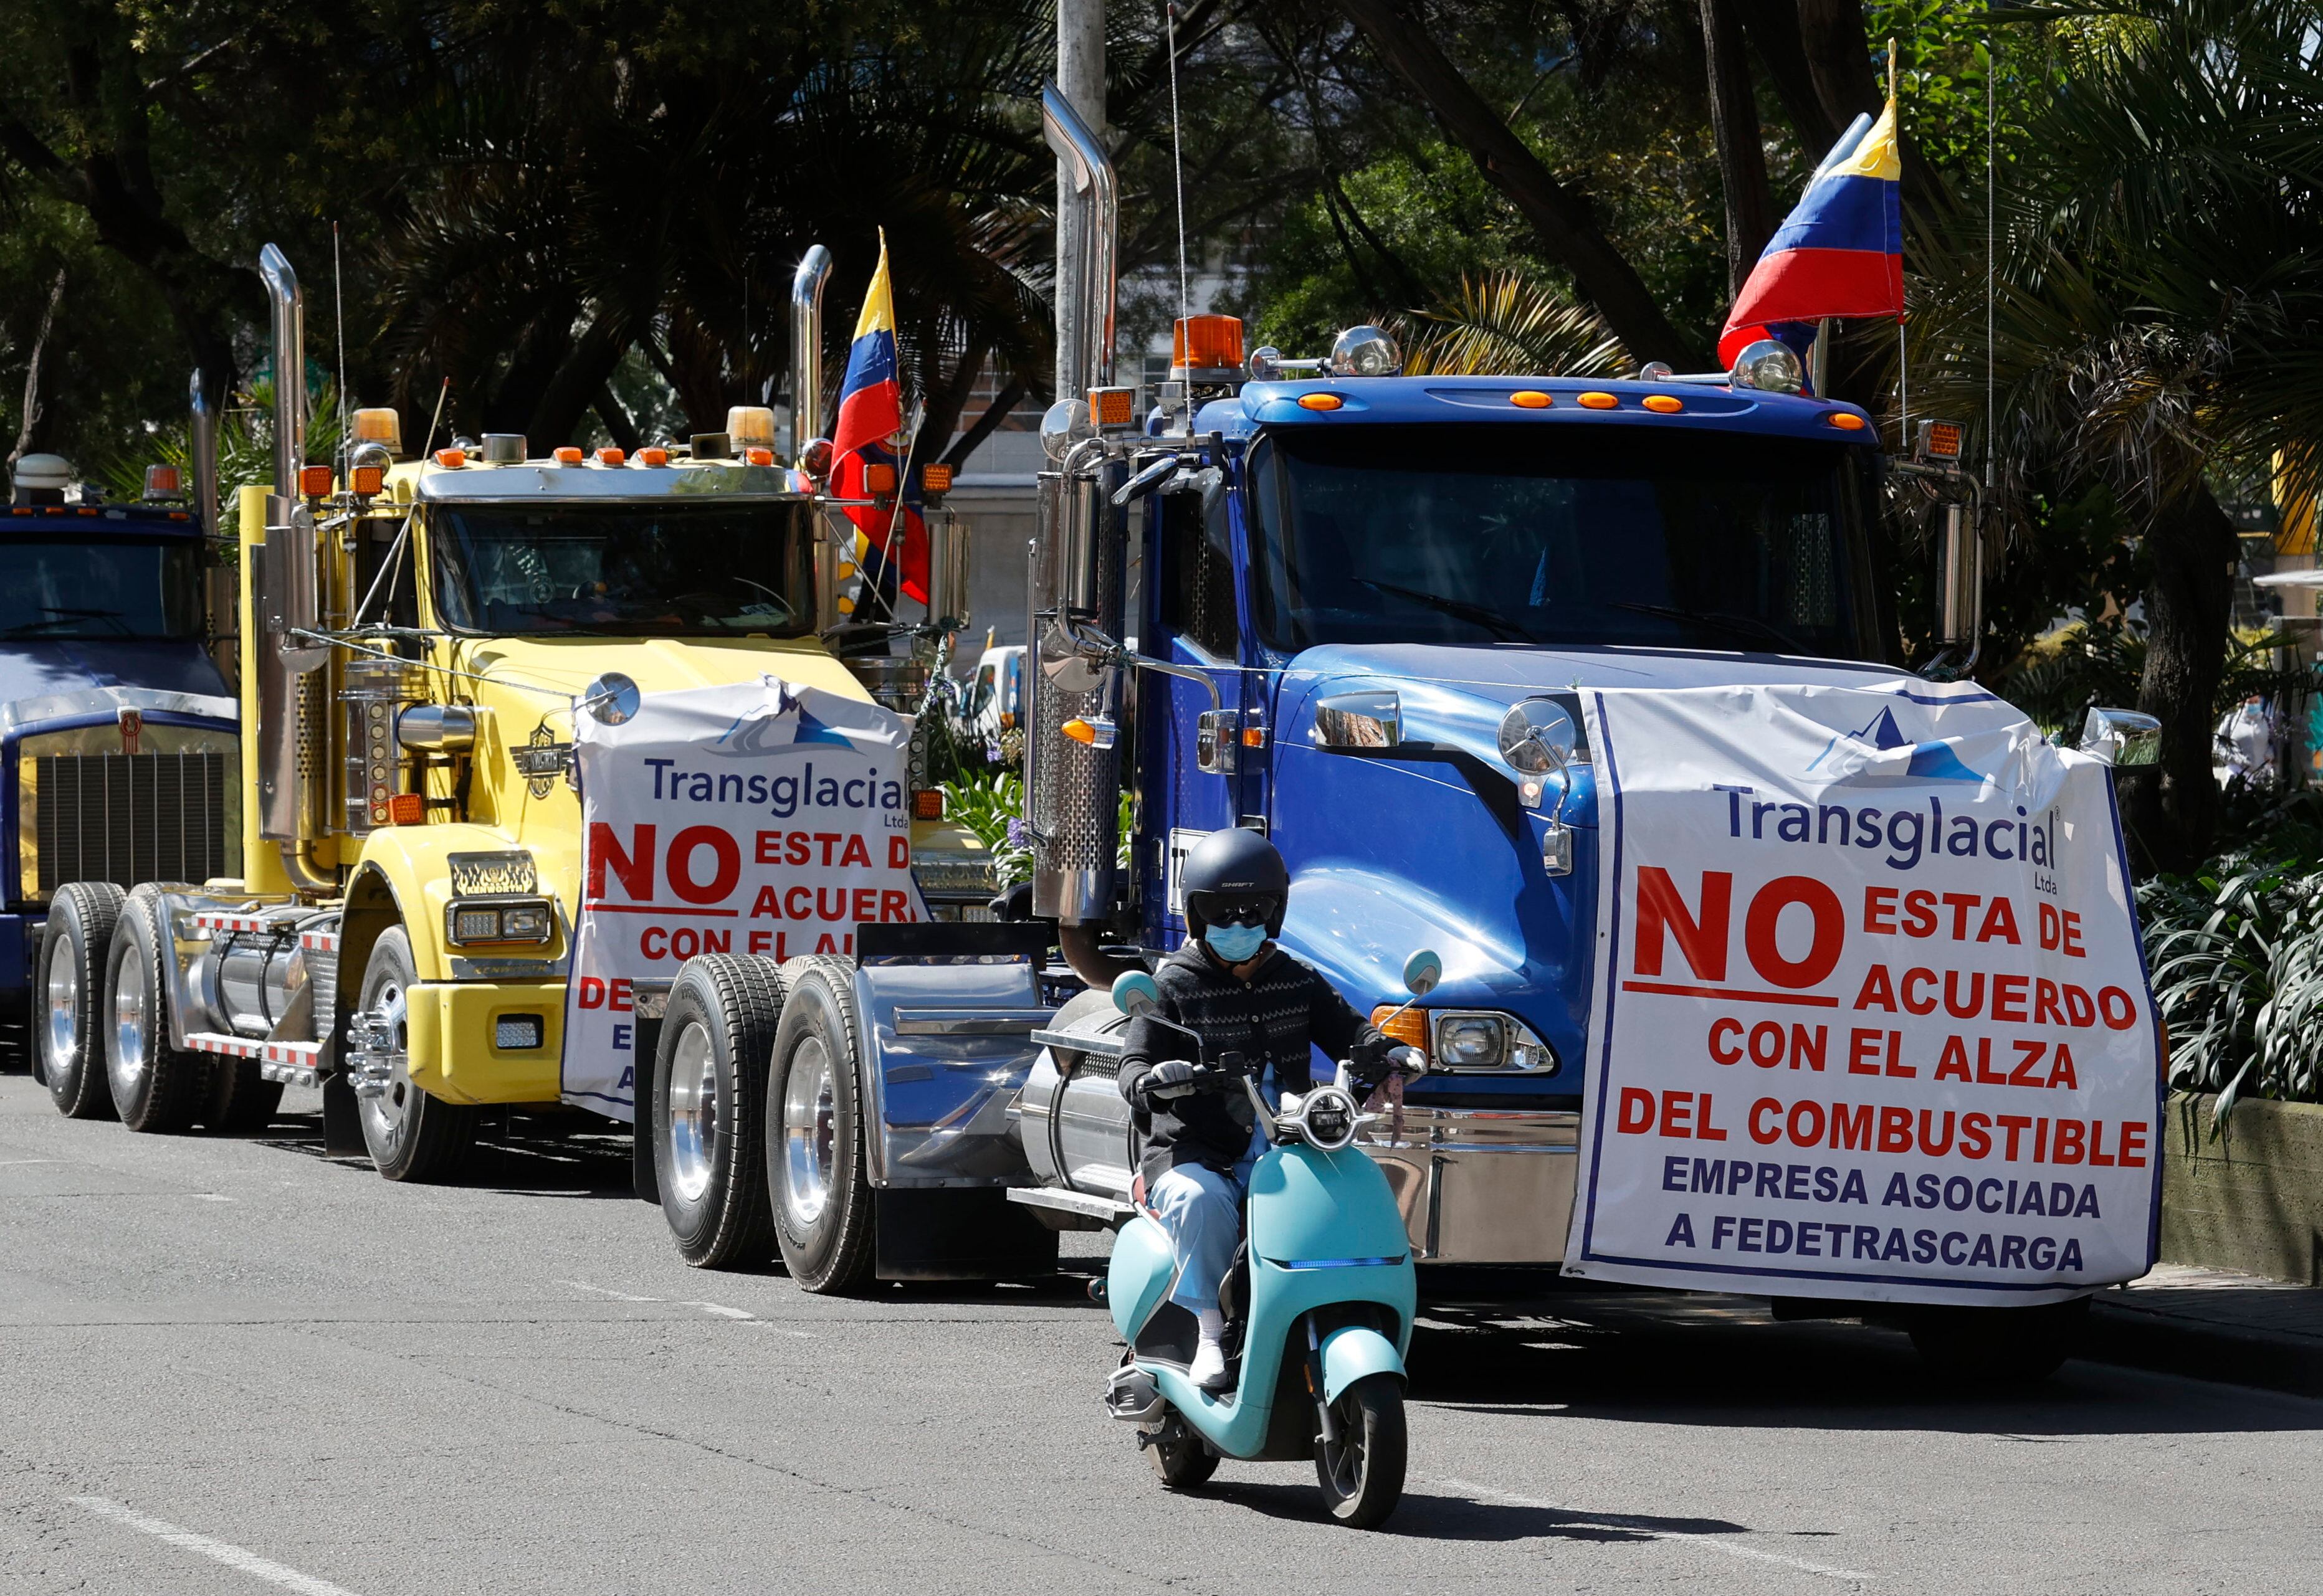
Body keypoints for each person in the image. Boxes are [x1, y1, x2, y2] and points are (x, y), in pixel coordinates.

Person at [1117, 827, 1424, 1391]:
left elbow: (1351, 1031)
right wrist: (1157, 1079)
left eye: (1253, 911)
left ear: (1275, 913)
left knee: (1348, 1189)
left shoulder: (1296, 977)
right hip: (1194, 1151)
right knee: (1199, 1199)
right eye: (1222, 913)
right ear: (1196, 914)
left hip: (1289, 1146)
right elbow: (1132, 1070)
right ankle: (1209, 1329)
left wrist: (1392, 1053)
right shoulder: (1173, 986)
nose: (1238, 926)